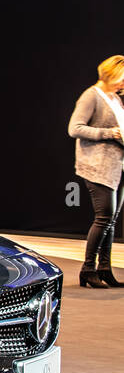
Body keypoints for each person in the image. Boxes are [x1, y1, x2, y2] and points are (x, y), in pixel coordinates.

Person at [68, 54, 124, 288]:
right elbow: (75, 128)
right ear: (112, 74)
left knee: (110, 220)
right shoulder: (91, 96)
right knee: (103, 219)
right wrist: (110, 133)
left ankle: (104, 269)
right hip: (97, 166)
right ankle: (87, 269)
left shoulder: (115, 98)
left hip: (116, 166)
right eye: (122, 78)